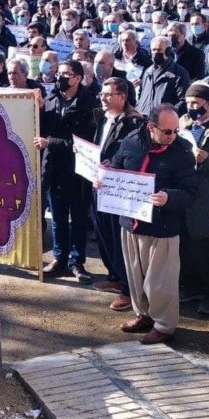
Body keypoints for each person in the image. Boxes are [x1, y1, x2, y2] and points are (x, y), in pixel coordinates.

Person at [108, 103, 197, 344]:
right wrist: (104, 177)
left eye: (176, 130)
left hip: (162, 227)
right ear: (151, 127)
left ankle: (165, 325)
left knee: (161, 282)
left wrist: (170, 197)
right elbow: (116, 166)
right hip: (131, 222)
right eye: (167, 131)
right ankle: (143, 315)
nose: (172, 136)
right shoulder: (131, 142)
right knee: (135, 275)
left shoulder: (182, 153)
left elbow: (191, 192)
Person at [36, 59, 97, 281]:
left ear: (78, 78)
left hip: (78, 172)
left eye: (66, 74)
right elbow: (40, 128)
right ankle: (59, 258)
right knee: (58, 218)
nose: (60, 77)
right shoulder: (51, 100)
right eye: (59, 73)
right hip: (54, 170)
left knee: (78, 219)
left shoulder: (89, 104)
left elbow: (85, 143)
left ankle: (77, 262)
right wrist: (37, 109)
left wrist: (50, 143)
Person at [90, 76, 144, 307]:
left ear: (122, 97)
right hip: (99, 183)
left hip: (118, 188)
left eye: (108, 94)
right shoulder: (104, 117)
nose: (103, 98)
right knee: (103, 232)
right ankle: (114, 275)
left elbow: (133, 156)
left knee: (118, 237)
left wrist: (112, 165)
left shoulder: (134, 123)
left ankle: (127, 288)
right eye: (101, 94)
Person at [178, 83, 209, 318]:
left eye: (196, 103)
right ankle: (190, 286)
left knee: (206, 249)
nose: (191, 108)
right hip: (186, 192)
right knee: (186, 246)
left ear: (208, 103)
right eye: (188, 103)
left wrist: (208, 159)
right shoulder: (184, 123)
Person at [136, 35, 190, 116]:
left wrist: (166, 115)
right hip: (144, 119)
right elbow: (140, 95)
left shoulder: (179, 73)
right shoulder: (147, 72)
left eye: (159, 50)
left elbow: (184, 101)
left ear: (168, 51)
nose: (155, 53)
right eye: (153, 50)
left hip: (164, 121)